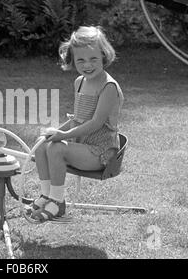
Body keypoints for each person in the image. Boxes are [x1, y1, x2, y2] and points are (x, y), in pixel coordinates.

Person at [27, 26, 124, 222]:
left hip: (101, 152)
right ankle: (46, 195)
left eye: (93, 59)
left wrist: (62, 137)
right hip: (82, 146)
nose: (87, 65)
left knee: (56, 148)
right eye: (80, 60)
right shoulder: (80, 81)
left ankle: (57, 202)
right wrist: (56, 131)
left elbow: (96, 123)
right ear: (72, 59)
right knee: (41, 144)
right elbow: (77, 118)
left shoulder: (109, 87)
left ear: (104, 55)